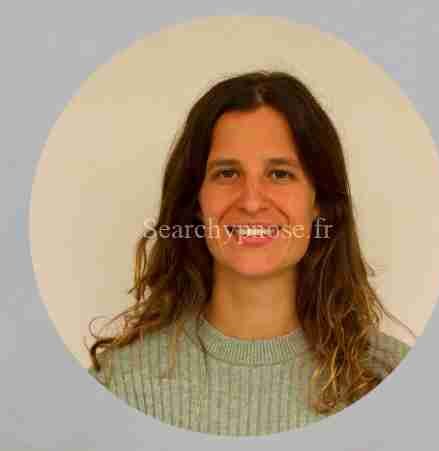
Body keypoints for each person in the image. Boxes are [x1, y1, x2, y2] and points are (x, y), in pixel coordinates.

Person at [87, 70, 414, 436]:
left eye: (280, 174)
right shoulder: (120, 384)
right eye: (227, 173)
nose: (252, 202)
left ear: (319, 201)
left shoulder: (393, 381)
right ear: (196, 203)